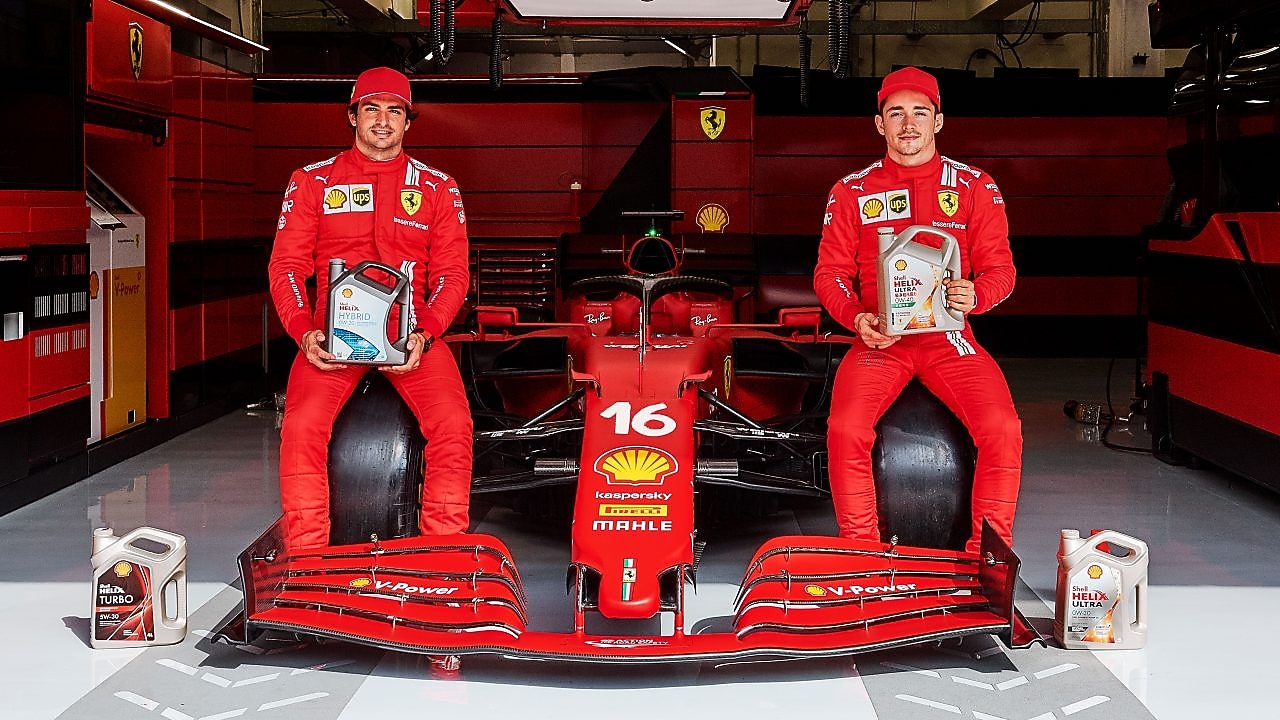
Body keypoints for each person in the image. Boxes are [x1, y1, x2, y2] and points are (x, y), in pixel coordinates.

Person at [813, 66, 1022, 553]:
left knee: (1003, 430)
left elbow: (1002, 272)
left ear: (939, 120)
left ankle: (986, 557)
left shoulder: (974, 186)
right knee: (845, 429)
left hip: (950, 341)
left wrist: (977, 295)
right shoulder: (851, 191)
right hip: (879, 341)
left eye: (920, 112)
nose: (909, 124)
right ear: (880, 124)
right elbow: (829, 275)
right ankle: (860, 556)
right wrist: (857, 318)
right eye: (896, 113)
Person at [267, 66, 473, 553]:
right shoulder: (312, 182)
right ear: (353, 117)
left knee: (454, 425)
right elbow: (287, 268)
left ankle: (440, 557)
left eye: (394, 111)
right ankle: (309, 562)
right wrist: (304, 333)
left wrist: (424, 334)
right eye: (372, 109)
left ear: (408, 122)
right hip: (330, 340)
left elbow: (452, 275)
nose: (383, 120)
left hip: (412, 338)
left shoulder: (439, 188)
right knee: (299, 430)